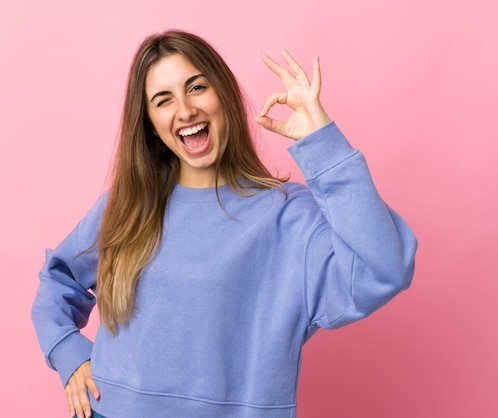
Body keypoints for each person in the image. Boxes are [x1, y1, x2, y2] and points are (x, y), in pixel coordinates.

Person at [31, 30, 417, 418]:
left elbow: (383, 268)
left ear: (224, 95)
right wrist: (69, 353)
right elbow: (58, 278)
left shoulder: (288, 216)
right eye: (163, 100)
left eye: (196, 87)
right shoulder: (127, 204)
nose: (184, 110)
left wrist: (322, 142)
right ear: (149, 123)